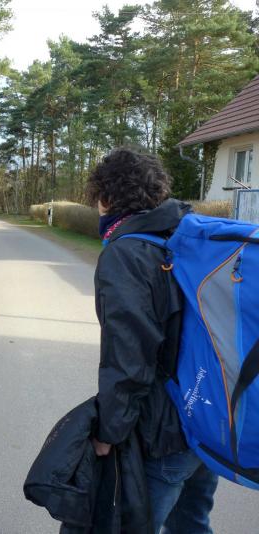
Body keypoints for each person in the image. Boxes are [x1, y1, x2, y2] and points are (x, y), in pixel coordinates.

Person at [87, 148, 218, 533]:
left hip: (164, 433)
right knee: (193, 524)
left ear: (106, 197)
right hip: (207, 417)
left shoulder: (126, 253)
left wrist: (108, 431)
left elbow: (129, 356)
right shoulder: (185, 235)